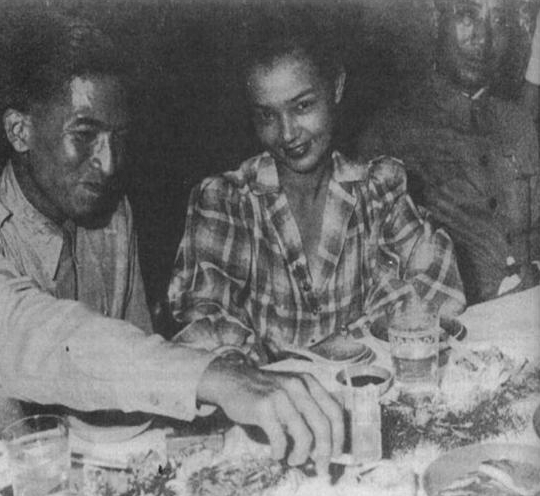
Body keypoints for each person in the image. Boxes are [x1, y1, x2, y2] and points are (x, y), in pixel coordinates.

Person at [0, 11, 343, 472]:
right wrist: (213, 375)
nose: (109, 164)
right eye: (85, 135)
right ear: (20, 131)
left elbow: (136, 367)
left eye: (119, 138)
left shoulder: (112, 215)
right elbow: (37, 335)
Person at [169, 11, 465, 363]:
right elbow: (202, 323)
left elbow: (440, 287)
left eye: (303, 106)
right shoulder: (226, 202)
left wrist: (329, 349)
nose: (288, 132)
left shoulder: (378, 191)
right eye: (267, 115)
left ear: (337, 86)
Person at [358, 0, 540, 305]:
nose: (483, 37)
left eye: (498, 21)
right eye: (468, 15)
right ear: (435, 18)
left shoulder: (519, 125)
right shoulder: (389, 135)